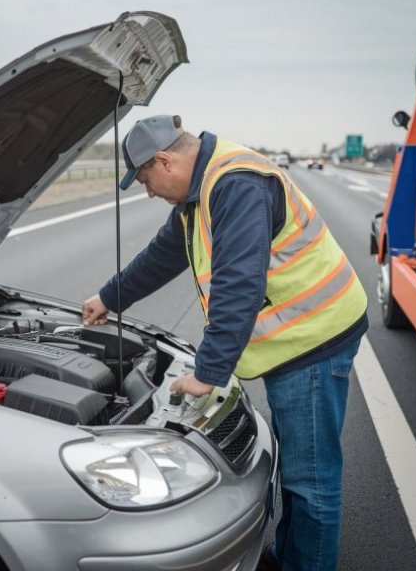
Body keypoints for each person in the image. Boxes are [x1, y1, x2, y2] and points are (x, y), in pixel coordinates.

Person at [82, 115, 368, 571]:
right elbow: (162, 255)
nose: (149, 192)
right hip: (294, 337)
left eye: (145, 180)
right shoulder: (204, 189)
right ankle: (290, 556)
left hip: (314, 337)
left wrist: (208, 372)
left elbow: (240, 285)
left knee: (311, 480)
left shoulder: (236, 186)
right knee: (296, 468)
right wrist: (109, 297)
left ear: (164, 161)